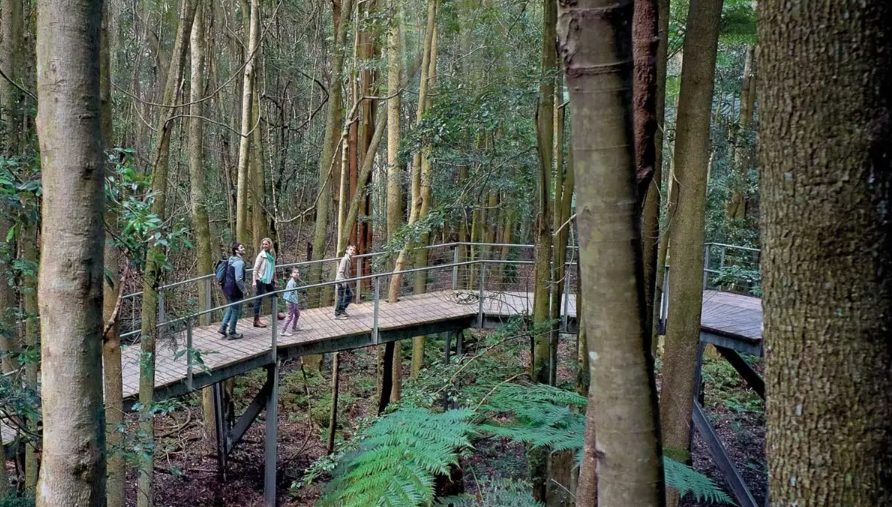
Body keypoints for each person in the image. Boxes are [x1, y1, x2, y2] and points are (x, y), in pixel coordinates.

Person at [219, 242, 246, 340]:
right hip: (234, 290)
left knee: (231, 308)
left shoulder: (230, 259)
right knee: (236, 310)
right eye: (241, 247)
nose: (243, 248)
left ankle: (223, 327)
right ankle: (232, 332)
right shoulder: (239, 263)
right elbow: (238, 279)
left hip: (226, 288)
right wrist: (244, 290)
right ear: (236, 251)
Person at [252, 237, 276, 328]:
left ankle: (276, 312)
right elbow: (255, 269)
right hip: (261, 279)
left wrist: (275, 278)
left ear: (270, 245)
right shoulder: (261, 255)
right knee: (258, 299)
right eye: (263, 244)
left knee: (274, 295)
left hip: (268, 280)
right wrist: (254, 281)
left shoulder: (271, 255)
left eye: (266, 244)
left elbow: (273, 268)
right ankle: (256, 320)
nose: (264, 246)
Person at [334, 245, 356, 319]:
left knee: (349, 295)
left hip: (345, 280)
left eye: (353, 250)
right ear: (347, 251)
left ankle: (342, 309)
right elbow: (341, 271)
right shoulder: (345, 259)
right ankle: (337, 313)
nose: (352, 251)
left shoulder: (349, 259)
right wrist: (343, 281)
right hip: (341, 280)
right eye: (350, 249)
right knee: (341, 296)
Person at [281, 267, 303, 336]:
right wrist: (292, 302)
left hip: (294, 302)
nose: (296, 274)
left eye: (297, 272)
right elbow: (289, 293)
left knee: (297, 314)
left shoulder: (294, 282)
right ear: (291, 274)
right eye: (294, 272)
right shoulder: (291, 283)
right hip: (291, 302)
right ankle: (283, 331)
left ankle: (294, 327)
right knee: (289, 317)